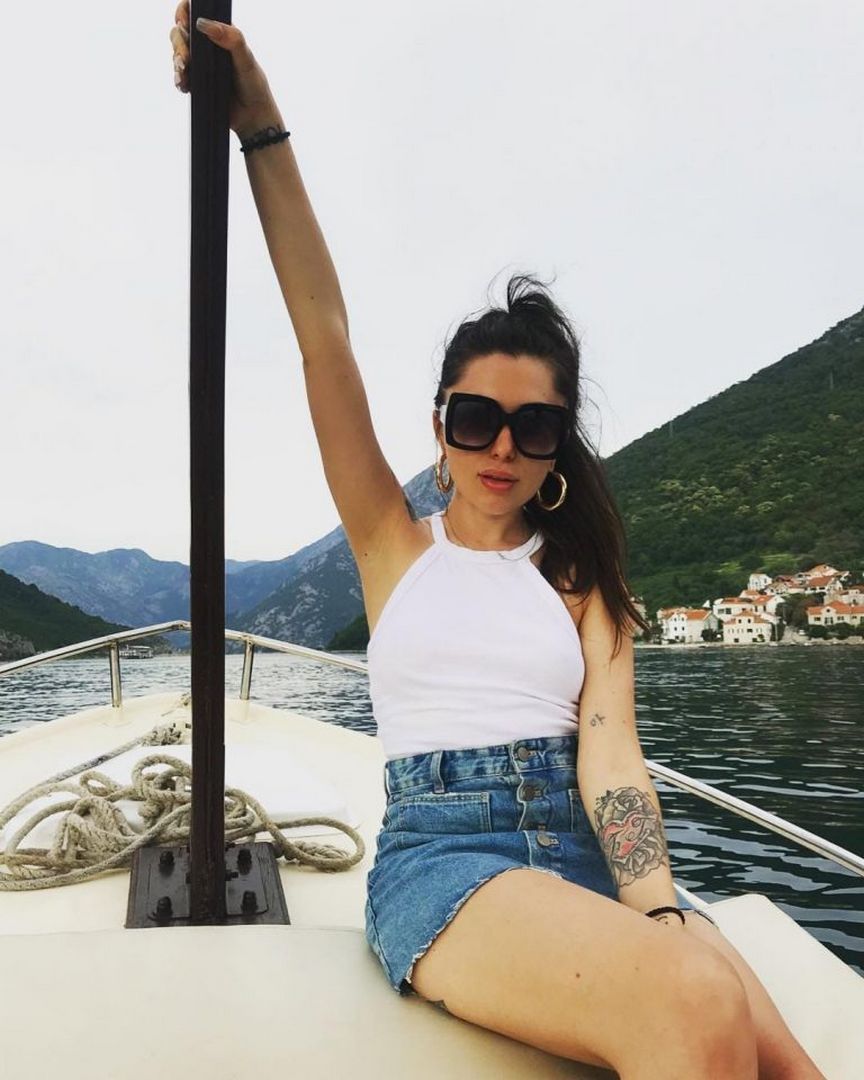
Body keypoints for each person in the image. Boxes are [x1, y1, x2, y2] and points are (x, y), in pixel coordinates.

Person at [170, 8, 824, 1077]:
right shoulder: (394, 545)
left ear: (559, 443)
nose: (503, 447)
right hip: (448, 861)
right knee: (698, 1002)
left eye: (534, 426)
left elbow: (611, 761)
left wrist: (661, 910)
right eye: (476, 419)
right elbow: (322, 333)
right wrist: (263, 131)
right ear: (441, 427)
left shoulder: (581, 581)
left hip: (587, 852)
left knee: (783, 1058)